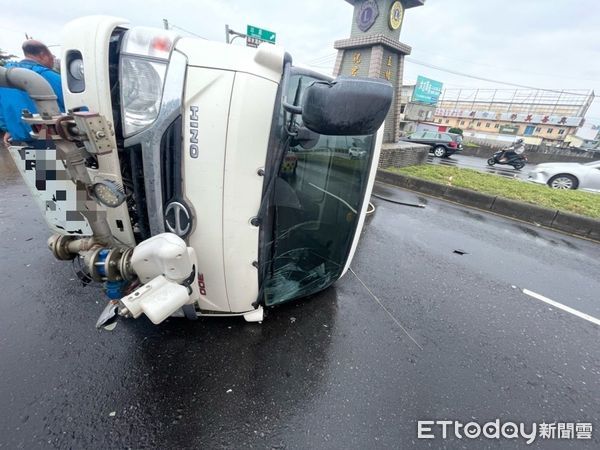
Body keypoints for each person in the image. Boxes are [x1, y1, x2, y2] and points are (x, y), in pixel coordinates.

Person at [0, 40, 64, 148]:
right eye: (51, 56)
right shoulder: (49, 76)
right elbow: (76, 105)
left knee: (37, 165)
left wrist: (8, 129)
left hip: (22, 140)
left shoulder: (6, 77)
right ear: (43, 54)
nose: (53, 60)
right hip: (52, 140)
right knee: (57, 164)